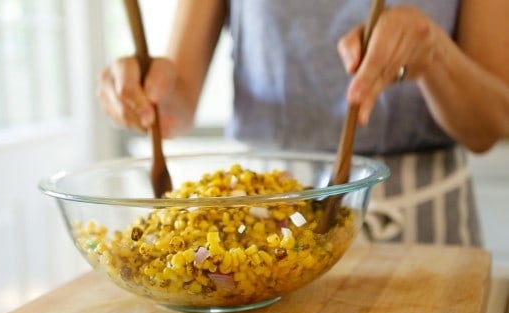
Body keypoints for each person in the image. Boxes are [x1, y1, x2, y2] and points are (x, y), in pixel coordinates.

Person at [97, 1, 509, 246]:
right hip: (259, 219)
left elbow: (491, 123)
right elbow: (178, 98)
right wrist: (145, 93)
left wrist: (435, 52)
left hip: (423, 224)